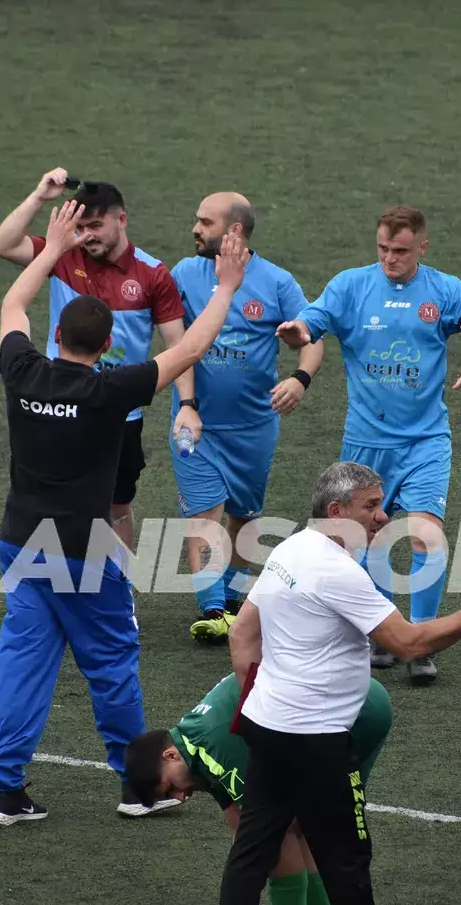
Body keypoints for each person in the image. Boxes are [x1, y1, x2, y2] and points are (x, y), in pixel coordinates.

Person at [0, 201, 247, 826]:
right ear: (106, 346)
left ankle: (5, 791)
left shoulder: (22, 371)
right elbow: (192, 348)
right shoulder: (109, 390)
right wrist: (228, 285)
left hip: (19, 542)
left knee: (23, 662)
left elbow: (13, 305)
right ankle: (138, 787)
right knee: (111, 664)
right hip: (84, 551)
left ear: (58, 336)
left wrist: (52, 249)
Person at [218, 461, 461, 904]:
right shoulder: (338, 572)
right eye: (371, 505)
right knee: (346, 862)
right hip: (316, 741)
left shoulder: (289, 548)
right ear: (337, 511)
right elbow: (409, 643)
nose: (383, 516)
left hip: (267, 726)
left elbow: (241, 633)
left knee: (251, 853)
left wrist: (266, 701)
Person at [276, 205, 461, 683]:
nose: (389, 258)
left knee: (426, 536)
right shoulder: (350, 286)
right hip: (365, 442)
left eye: (400, 250)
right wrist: (299, 332)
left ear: (422, 247)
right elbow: (311, 323)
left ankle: (421, 641)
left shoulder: (444, 291)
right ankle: (383, 634)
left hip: (425, 441)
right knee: (366, 540)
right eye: (382, 248)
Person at [0, 168, 187, 552]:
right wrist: (39, 197)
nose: (87, 235)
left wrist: (188, 405)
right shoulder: (63, 255)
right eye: (80, 227)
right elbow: (3, 244)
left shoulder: (152, 274)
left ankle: (119, 581)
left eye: (95, 226)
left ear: (121, 219)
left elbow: (176, 346)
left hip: (118, 411)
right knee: (56, 497)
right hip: (60, 399)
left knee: (117, 506)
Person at [170, 191, 324, 642]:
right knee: (205, 515)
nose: (195, 229)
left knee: (243, 517)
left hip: (255, 427)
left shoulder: (276, 282)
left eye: (205, 222)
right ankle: (212, 608)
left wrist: (300, 378)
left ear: (233, 231)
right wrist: (186, 404)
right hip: (195, 423)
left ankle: (232, 600)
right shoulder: (185, 274)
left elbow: (313, 336)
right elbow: (173, 339)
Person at [124, 671, 392, 905]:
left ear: (170, 756)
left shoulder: (214, 747)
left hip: (358, 713)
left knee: (293, 831)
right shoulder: (195, 750)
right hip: (350, 701)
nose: (180, 797)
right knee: (307, 825)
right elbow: (238, 825)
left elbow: (268, 833)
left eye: (170, 788)